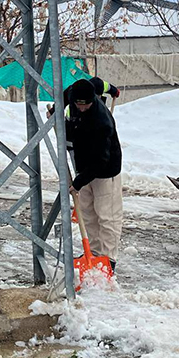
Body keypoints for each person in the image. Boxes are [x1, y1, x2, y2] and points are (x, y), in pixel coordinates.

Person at [53, 77, 124, 269]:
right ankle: (92, 254)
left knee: (107, 215)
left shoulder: (102, 122)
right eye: (78, 104)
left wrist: (78, 182)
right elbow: (61, 100)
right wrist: (54, 111)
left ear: (94, 98)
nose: (81, 108)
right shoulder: (74, 94)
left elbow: (100, 161)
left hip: (105, 170)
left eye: (86, 105)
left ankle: (108, 259)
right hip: (83, 166)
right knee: (88, 214)